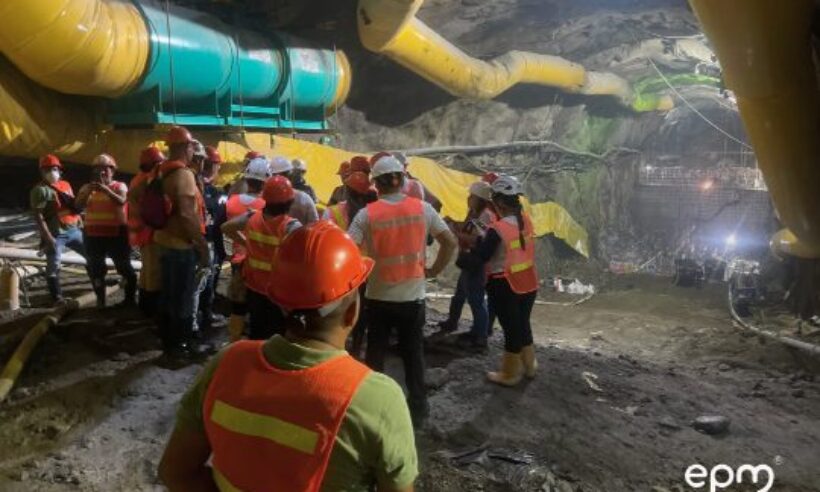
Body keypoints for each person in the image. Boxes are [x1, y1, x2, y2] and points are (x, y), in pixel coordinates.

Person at [158, 222, 418, 492]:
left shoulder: (227, 364)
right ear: (352, 313)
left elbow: (175, 472)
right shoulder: (377, 399)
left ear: (281, 304)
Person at [347, 155, 457, 426]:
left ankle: (372, 410)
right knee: (413, 354)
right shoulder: (422, 209)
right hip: (412, 298)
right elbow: (450, 242)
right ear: (402, 179)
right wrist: (433, 271)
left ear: (376, 184)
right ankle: (418, 410)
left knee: (375, 355)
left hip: (378, 297)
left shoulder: (366, 214)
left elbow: (347, 250)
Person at [465, 175, 539, 386]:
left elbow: (482, 257)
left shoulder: (497, 229)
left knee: (511, 329)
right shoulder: (526, 219)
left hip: (505, 285)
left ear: (498, 202)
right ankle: (530, 365)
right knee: (523, 324)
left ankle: (510, 373)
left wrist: (468, 253)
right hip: (528, 282)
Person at [152, 126, 211, 358]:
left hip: (163, 241)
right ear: (186, 147)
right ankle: (182, 346)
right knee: (184, 298)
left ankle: (168, 343)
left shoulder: (160, 170)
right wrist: (202, 246)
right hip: (181, 246)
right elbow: (187, 214)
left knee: (168, 295)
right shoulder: (184, 175)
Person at [222, 176, 301, 340]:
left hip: (254, 288)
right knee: (275, 336)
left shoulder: (252, 217)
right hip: (277, 293)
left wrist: (246, 243)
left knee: (257, 332)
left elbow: (226, 227)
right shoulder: (291, 226)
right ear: (289, 202)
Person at [323, 171, 378, 357]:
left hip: (340, 271)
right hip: (365, 272)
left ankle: (337, 345)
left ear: (346, 191)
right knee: (361, 310)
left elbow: (323, 239)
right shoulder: (374, 214)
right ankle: (356, 345)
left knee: (338, 310)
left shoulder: (333, 212)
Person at [438, 181, 497, 349]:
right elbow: (468, 228)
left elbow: (478, 239)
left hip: (476, 262)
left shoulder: (485, 216)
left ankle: (481, 335)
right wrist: (454, 223)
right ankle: (454, 323)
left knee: (476, 299)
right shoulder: (475, 213)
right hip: (470, 260)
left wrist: (456, 232)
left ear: (480, 198)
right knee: (461, 294)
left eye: (471, 196)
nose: (468, 198)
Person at [75, 154, 137, 308]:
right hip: (93, 235)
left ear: (112, 171)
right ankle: (101, 301)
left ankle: (129, 300)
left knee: (124, 267)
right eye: (98, 170)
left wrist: (105, 190)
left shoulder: (119, 186)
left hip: (117, 234)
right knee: (96, 268)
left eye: (105, 169)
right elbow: (77, 206)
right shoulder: (86, 188)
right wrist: (88, 191)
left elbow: (122, 200)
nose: (102, 173)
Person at [222, 157, 270, 341]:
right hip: (260, 264)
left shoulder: (232, 201)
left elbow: (221, 226)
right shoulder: (266, 206)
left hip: (237, 259)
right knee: (258, 305)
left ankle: (233, 341)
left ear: (246, 179)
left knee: (238, 304)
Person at [30, 154, 85, 302]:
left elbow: (74, 207)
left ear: (60, 170)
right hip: (56, 234)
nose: (51, 172)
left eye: (54, 169)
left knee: (91, 256)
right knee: (53, 264)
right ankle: (57, 297)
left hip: (74, 230)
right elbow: (38, 216)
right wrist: (47, 237)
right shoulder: (39, 190)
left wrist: (81, 224)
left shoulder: (66, 185)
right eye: (47, 169)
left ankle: (98, 283)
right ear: (41, 172)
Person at [128, 146, 165, 315]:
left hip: (140, 230)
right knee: (153, 272)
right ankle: (151, 310)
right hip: (148, 231)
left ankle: (144, 304)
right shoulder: (147, 182)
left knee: (146, 271)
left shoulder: (138, 179)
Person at [198, 145, 228, 332]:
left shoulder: (207, 190)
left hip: (204, 241)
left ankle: (201, 314)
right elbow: (218, 223)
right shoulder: (211, 193)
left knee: (203, 281)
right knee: (206, 281)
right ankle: (204, 316)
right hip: (205, 242)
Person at [269, 156, 319, 224]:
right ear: (290, 172)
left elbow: (314, 215)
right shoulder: (274, 191)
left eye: (301, 172)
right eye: (296, 171)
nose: (298, 174)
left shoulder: (308, 189)